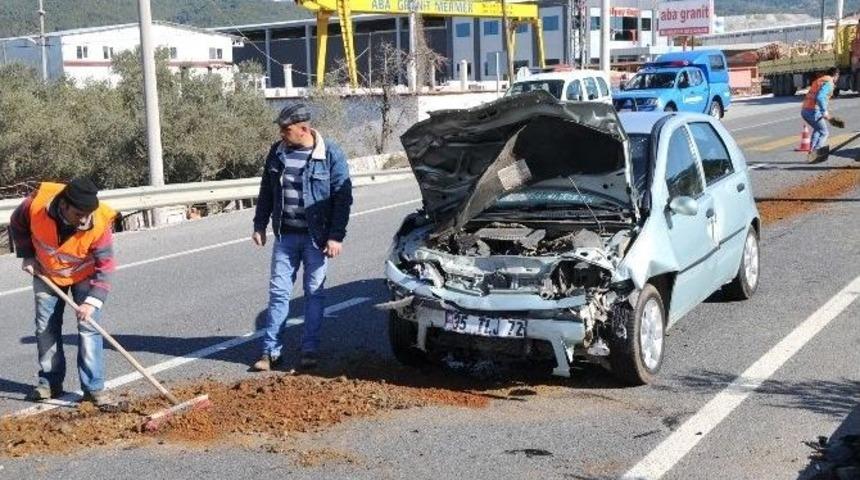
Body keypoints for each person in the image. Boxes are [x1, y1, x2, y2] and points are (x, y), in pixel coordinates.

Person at [251, 103, 353, 371]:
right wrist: (259, 224)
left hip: (317, 239)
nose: (282, 134)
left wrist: (335, 236)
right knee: (278, 294)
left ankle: (309, 350)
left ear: (304, 129)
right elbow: (267, 191)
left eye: (286, 129)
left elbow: (343, 198)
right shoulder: (277, 152)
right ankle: (270, 352)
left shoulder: (330, 153)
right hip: (285, 236)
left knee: (314, 294)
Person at [9, 178, 120, 411]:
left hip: (84, 276)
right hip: (47, 273)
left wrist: (92, 301)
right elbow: (17, 223)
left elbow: (106, 266)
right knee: (45, 328)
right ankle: (49, 382)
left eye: (88, 214)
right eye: (79, 213)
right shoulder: (35, 205)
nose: (84, 219)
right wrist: (27, 255)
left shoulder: (98, 222)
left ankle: (93, 389)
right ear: (64, 204)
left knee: (89, 329)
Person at [801, 67, 839, 163]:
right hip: (813, 110)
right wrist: (824, 111)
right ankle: (816, 154)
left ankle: (811, 152)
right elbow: (820, 97)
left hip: (805, 110)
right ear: (835, 75)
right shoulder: (829, 83)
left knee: (818, 130)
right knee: (824, 132)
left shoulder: (820, 80)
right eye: (838, 76)